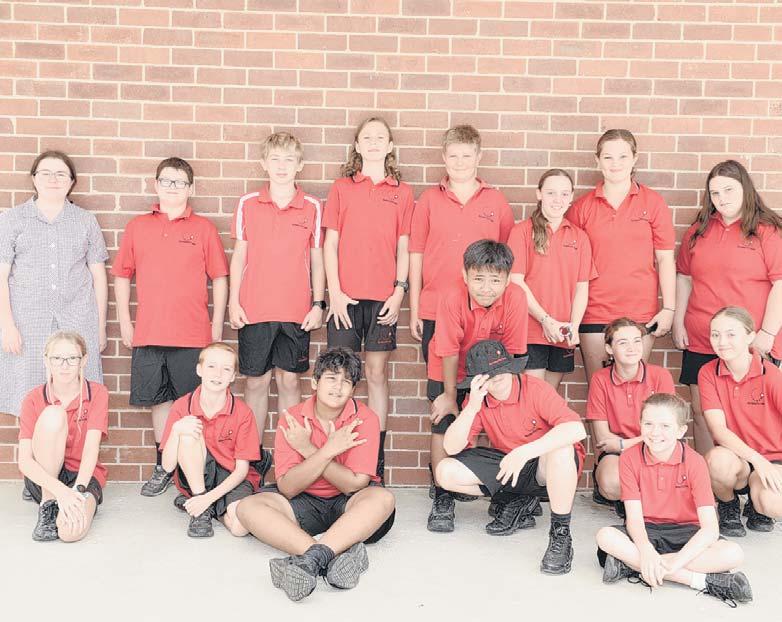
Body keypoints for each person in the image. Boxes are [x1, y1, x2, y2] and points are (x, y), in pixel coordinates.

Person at [237, 348, 395, 602]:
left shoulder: (365, 418)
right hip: (303, 500)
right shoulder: (293, 419)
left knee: (383, 499)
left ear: (353, 389)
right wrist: (329, 451)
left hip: (348, 504)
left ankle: (306, 562)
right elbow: (288, 487)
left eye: (346, 381)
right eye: (331, 378)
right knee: (247, 507)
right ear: (315, 382)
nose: (338, 387)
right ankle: (328, 557)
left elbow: (354, 484)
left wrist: (310, 449)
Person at [112, 157, 229, 497]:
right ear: (156, 185)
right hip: (150, 331)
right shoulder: (137, 227)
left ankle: (194, 471)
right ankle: (163, 466)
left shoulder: (204, 229)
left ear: (191, 188)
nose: (172, 187)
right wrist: (125, 322)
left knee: (192, 404)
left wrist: (217, 325)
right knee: (160, 402)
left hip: (193, 334)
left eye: (179, 182)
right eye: (166, 180)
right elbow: (122, 276)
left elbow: (220, 278)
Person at [436, 340, 587, 576]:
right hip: (513, 466)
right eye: (487, 374)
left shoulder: (535, 388)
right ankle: (518, 499)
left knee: (562, 449)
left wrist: (525, 452)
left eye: (500, 369)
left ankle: (560, 534)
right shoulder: (479, 400)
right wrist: (472, 407)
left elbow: (576, 429)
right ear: (477, 380)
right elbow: (451, 446)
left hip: (547, 469)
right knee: (445, 472)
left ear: (510, 366)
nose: (496, 377)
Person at [595, 393, 752, 607]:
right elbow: (634, 519)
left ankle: (632, 566)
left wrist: (677, 560)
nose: (655, 432)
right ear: (640, 425)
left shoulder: (695, 462)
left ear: (681, 431)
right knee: (605, 536)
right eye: (648, 424)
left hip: (687, 531)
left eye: (665, 426)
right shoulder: (629, 458)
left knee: (733, 554)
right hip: (647, 530)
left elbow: (709, 529)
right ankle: (701, 581)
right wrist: (646, 550)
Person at [323, 116, 414, 481]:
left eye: (380, 137)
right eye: (367, 137)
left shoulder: (402, 192)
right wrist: (334, 293)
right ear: (357, 146)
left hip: (382, 299)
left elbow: (404, 246)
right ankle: (334, 456)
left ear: (389, 146)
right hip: (344, 299)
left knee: (376, 374)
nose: (374, 142)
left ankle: (375, 458)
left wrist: (399, 292)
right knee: (338, 375)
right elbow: (330, 244)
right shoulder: (341, 188)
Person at [229, 132, 324, 474]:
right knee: (255, 383)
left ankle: (288, 458)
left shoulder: (312, 206)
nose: (282, 166)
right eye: (275, 159)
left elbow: (317, 259)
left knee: (289, 382)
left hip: (295, 312)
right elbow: (239, 256)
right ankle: (252, 461)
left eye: (289, 160)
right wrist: (233, 302)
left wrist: (318, 304)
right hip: (255, 309)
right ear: (264, 164)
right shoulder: (248, 203)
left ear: (300, 165)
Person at [674, 160, 782, 453]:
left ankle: (756, 473)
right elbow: (684, 277)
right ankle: (711, 476)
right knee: (702, 412)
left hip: (751, 340)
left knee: (754, 414)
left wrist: (767, 333)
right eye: (715, 193)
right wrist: (678, 320)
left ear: (745, 188)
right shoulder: (698, 231)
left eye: (728, 190)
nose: (721, 198)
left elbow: (780, 285)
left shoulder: (767, 231)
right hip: (702, 336)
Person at [425, 240, 528, 532]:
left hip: (494, 368)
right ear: (465, 275)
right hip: (450, 366)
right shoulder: (451, 296)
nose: (486, 288)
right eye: (478, 279)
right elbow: (448, 350)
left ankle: (507, 494)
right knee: (444, 422)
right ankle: (442, 496)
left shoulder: (516, 298)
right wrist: (450, 396)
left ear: (507, 280)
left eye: (495, 280)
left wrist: (501, 391)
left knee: (502, 421)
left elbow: (512, 351)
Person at [0, 150, 107, 420]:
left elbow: (99, 276)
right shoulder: (11, 220)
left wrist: (100, 328)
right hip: (26, 322)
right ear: (33, 179)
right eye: (45, 173)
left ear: (71, 181)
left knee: (79, 398)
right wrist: (7, 325)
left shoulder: (85, 221)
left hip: (78, 320)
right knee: (29, 397)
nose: (53, 179)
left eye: (61, 174)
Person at [567, 129, 675, 385]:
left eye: (623, 156)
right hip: (594, 311)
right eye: (608, 157)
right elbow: (569, 266)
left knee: (635, 389)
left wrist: (669, 308)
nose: (615, 164)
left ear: (634, 158)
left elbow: (665, 259)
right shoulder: (581, 208)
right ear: (597, 161)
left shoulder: (653, 202)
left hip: (640, 312)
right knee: (600, 389)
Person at [409, 123, 514, 363]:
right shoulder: (429, 199)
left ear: (479, 156)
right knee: (439, 381)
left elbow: (507, 261)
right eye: (453, 156)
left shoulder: (496, 201)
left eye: (466, 156)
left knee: (480, 378)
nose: (460, 162)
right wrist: (416, 310)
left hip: (483, 308)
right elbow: (416, 255)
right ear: (444, 157)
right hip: (436, 306)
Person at [159, 342, 260, 538]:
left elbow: (241, 470)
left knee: (240, 528)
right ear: (199, 370)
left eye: (226, 369)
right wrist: (176, 430)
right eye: (211, 366)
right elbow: (167, 466)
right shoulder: (182, 406)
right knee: (188, 430)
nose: (218, 374)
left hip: (231, 477)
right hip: (196, 475)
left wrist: (209, 498)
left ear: (233, 376)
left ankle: (207, 506)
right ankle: (200, 505)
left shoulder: (243, 412)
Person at [508, 168, 594, 390]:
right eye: (551, 193)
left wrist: (574, 326)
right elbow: (516, 282)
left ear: (571, 197)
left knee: (550, 397)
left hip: (562, 332)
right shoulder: (521, 232)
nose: (558, 200)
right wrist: (545, 320)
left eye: (564, 194)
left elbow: (581, 287)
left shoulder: (580, 237)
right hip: (530, 330)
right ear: (539, 194)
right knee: (532, 394)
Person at [17, 331, 108, 542]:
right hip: (46, 479)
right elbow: (24, 461)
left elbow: (91, 450)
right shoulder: (32, 398)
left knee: (70, 533)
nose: (64, 365)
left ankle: (67, 503)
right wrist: (59, 491)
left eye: (72, 358)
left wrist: (77, 491)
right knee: (54, 414)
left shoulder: (97, 393)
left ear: (83, 360)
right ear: (46, 361)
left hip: (81, 477)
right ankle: (48, 504)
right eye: (57, 358)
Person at [699, 306, 782, 537]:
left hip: (773, 458)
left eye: (731, 334)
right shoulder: (708, 373)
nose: (722, 342)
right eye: (715, 334)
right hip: (736, 459)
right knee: (715, 461)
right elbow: (718, 430)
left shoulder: (770, 374)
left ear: (749, 336)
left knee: (774, 503)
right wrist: (757, 460)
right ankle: (728, 504)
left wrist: (767, 465)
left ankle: (757, 505)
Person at [586, 319, 675, 516]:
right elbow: (603, 438)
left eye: (636, 341)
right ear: (609, 349)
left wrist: (623, 444)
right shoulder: (600, 379)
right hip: (618, 455)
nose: (632, 348)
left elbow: (667, 432)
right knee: (610, 482)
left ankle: (636, 502)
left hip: (654, 451)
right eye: (622, 342)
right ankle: (633, 500)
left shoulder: (660, 376)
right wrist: (628, 446)